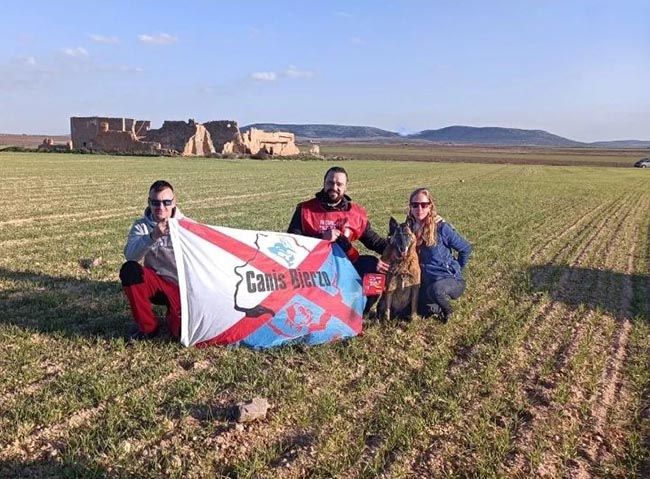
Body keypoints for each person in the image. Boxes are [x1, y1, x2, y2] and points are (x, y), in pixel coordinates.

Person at [287, 166, 389, 299]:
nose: (334, 187)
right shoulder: (305, 210)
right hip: (313, 268)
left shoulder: (355, 214)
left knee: (374, 267)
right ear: (324, 183)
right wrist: (321, 239)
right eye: (330, 183)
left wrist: (401, 250)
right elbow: (291, 243)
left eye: (339, 184)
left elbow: (374, 241)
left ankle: (362, 308)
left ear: (345, 187)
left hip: (345, 265)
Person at [119, 180, 183, 340]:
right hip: (156, 284)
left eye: (166, 202)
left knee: (180, 334)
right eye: (155, 202)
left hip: (181, 288)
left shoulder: (186, 226)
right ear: (149, 202)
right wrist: (152, 236)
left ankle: (174, 315)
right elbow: (131, 256)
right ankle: (148, 327)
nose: (161, 207)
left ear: (174, 202)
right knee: (130, 270)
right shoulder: (141, 226)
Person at [407, 188, 471, 322]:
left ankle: (448, 311)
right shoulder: (408, 230)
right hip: (426, 282)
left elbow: (465, 248)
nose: (419, 208)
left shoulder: (441, 228)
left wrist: (457, 268)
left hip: (449, 279)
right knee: (413, 309)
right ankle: (435, 306)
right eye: (415, 205)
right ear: (410, 207)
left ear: (430, 206)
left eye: (424, 205)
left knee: (436, 290)